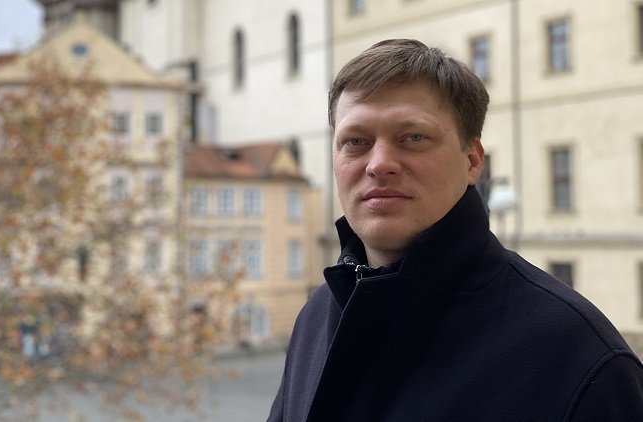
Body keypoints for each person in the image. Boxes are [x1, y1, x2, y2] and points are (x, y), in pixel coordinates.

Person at [268, 39, 643, 421]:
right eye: (356, 142)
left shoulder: (578, 357)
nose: (379, 164)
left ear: (473, 161)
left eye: (413, 138)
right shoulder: (316, 317)